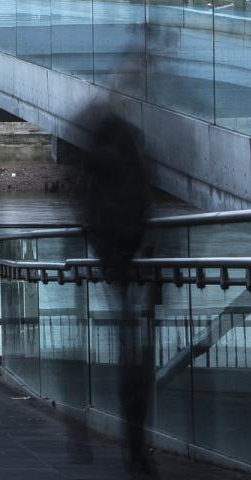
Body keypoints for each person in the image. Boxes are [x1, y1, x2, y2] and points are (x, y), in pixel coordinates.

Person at [71, 100, 158, 475]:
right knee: (140, 352)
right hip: (141, 261)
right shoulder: (131, 152)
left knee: (128, 351)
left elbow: (87, 212)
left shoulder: (95, 162)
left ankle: (127, 442)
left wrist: (105, 254)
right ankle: (136, 445)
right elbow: (142, 202)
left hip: (118, 264)